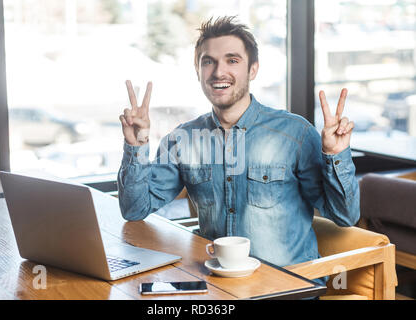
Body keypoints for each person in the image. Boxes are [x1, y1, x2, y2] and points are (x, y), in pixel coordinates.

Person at [117, 16, 359, 286]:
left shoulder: (296, 134)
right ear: (198, 71)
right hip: (217, 286)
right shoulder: (182, 139)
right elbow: (134, 209)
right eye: (208, 61)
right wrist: (136, 145)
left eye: (232, 60)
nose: (219, 72)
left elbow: (345, 216)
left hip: (287, 289)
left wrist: (336, 156)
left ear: (253, 69)